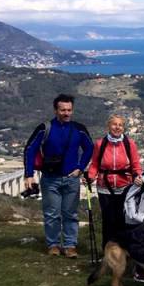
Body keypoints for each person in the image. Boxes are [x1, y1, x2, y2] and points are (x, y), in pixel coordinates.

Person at [24, 94, 94, 258]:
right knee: (52, 214)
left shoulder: (79, 129)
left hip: (72, 178)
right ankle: (53, 245)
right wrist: (29, 175)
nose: (66, 113)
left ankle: (70, 246)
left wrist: (80, 168)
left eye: (69, 110)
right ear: (55, 110)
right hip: (50, 178)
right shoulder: (45, 128)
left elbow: (89, 148)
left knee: (70, 213)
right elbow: (30, 149)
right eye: (63, 110)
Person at [86, 114, 142, 250]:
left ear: (123, 128)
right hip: (105, 187)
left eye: (120, 125)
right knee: (108, 220)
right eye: (114, 124)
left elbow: (135, 164)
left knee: (122, 220)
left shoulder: (129, 144)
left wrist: (138, 176)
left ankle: (123, 250)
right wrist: (90, 176)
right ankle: (107, 250)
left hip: (124, 186)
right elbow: (95, 164)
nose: (117, 127)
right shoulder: (101, 144)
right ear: (109, 126)